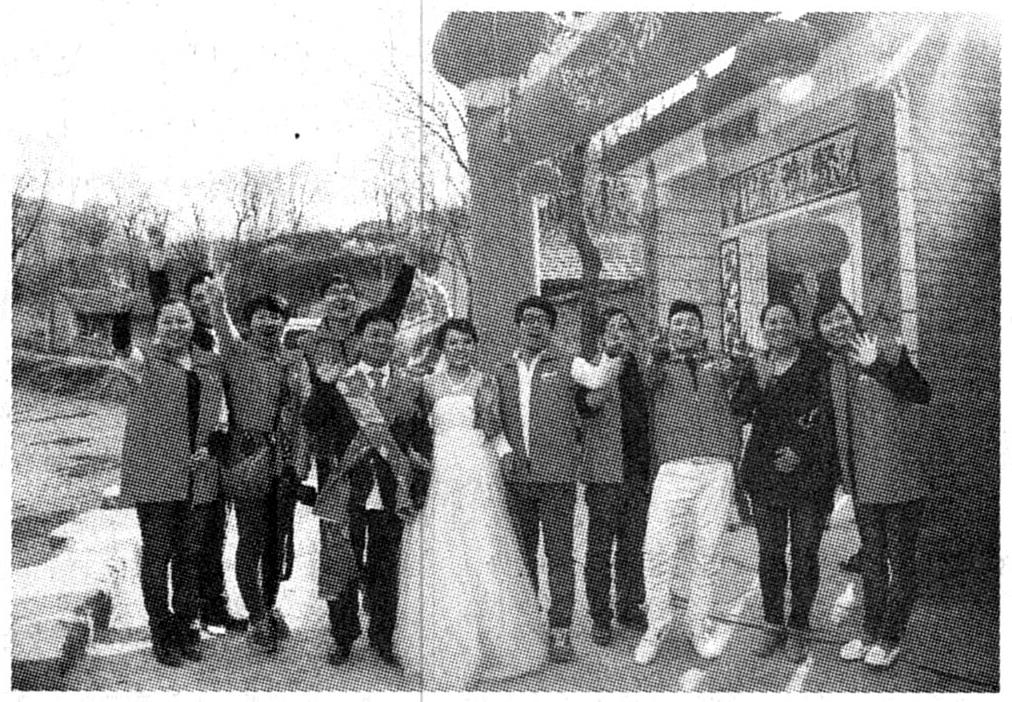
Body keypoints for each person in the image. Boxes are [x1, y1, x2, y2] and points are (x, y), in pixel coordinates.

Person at [393, 319, 548, 689]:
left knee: (482, 544)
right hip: (439, 467)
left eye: (465, 342)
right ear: (442, 347)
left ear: (474, 346)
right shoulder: (426, 383)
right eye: (452, 342)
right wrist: (416, 459)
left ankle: (496, 640)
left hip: (477, 464)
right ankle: (443, 638)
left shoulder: (485, 381)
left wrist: (505, 455)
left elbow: (494, 428)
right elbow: (413, 426)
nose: (459, 348)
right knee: (442, 545)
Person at [305, 308, 432, 666]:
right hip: (347, 488)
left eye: (389, 334)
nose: (382, 341)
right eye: (375, 334)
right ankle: (343, 637)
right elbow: (311, 421)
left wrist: (418, 476)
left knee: (385, 567)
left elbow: (421, 435)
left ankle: (383, 636)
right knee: (341, 563)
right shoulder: (339, 381)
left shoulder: (408, 383)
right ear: (359, 339)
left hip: (392, 491)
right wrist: (323, 385)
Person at [110, 292, 229, 666]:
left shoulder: (206, 364)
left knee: (189, 555)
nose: (176, 327)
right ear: (157, 325)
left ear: (192, 324)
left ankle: (186, 628)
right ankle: (161, 633)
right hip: (155, 473)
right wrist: (121, 308)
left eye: (182, 320)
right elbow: (122, 345)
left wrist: (209, 448)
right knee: (158, 553)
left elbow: (221, 418)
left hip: (196, 472)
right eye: (168, 320)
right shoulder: (144, 361)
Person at [815, 297, 932, 668]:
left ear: (854, 317)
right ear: (820, 331)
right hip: (863, 483)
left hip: (901, 479)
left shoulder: (885, 348)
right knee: (872, 561)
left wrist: (877, 365)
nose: (835, 325)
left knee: (900, 562)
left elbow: (921, 392)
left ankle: (890, 637)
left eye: (840, 317)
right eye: (826, 322)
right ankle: (869, 631)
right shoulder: (833, 365)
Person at [145, 227, 246, 634]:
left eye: (210, 296)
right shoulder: (188, 338)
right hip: (192, 446)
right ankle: (190, 613)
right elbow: (162, 307)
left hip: (225, 447)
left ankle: (214, 606)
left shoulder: (228, 334)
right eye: (197, 298)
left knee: (216, 530)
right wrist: (157, 264)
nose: (204, 303)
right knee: (193, 536)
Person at [632, 301, 744, 665]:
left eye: (691, 323)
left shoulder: (719, 364)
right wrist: (655, 353)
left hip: (716, 468)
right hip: (673, 468)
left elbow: (743, 390)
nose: (684, 328)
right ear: (668, 329)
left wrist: (736, 364)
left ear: (701, 329)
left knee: (708, 551)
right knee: (656, 549)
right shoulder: (657, 365)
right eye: (677, 323)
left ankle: (700, 625)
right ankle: (656, 625)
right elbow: (644, 383)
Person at [208, 282, 312, 654]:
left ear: (286, 323)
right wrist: (217, 301)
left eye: (276, 317)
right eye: (261, 317)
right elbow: (222, 324)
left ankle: (267, 607)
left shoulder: (294, 359)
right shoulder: (236, 352)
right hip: (246, 457)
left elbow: (306, 410)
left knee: (277, 543)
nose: (269, 323)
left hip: (283, 461)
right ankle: (257, 616)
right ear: (249, 322)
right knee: (251, 539)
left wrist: (300, 463)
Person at [731, 301, 837, 663]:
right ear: (763, 327)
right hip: (765, 473)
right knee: (770, 552)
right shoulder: (756, 365)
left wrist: (801, 452)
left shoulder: (816, 363)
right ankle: (773, 623)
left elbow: (828, 417)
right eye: (771, 321)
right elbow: (739, 409)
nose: (778, 327)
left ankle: (800, 625)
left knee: (805, 552)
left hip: (809, 475)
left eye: (785, 321)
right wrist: (755, 378)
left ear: (797, 326)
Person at [496, 295, 584, 663]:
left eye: (542, 321)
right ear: (517, 325)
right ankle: (529, 625)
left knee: (559, 554)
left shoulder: (569, 364)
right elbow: (494, 419)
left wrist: (612, 355)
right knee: (523, 555)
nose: (535, 326)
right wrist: (504, 451)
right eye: (528, 319)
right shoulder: (502, 370)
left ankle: (561, 628)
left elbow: (595, 387)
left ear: (552, 328)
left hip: (557, 478)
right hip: (517, 478)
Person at [571, 308, 651, 648]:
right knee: (600, 548)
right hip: (605, 473)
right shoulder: (588, 370)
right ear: (601, 336)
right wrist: (611, 362)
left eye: (625, 327)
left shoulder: (642, 370)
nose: (619, 333)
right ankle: (600, 616)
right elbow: (591, 403)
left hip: (639, 471)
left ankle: (629, 606)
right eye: (612, 328)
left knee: (633, 546)